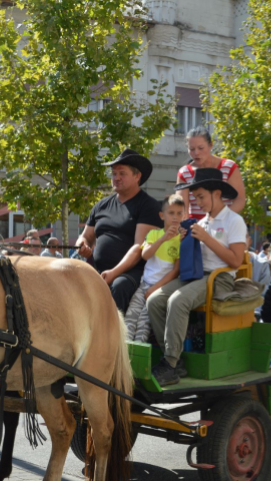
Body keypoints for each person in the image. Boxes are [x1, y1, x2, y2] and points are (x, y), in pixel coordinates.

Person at [147, 168, 246, 386]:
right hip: (197, 275)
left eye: (201, 196)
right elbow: (194, 257)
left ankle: (169, 364)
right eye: (196, 197)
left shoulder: (234, 221)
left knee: (178, 300)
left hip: (219, 279)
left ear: (217, 193)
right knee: (154, 300)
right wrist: (185, 240)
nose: (197, 202)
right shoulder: (201, 223)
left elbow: (236, 261)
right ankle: (174, 360)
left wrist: (206, 239)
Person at [76, 149, 162, 313]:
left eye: (122, 173)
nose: (116, 178)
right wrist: (82, 244)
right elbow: (86, 236)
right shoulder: (101, 205)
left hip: (132, 272)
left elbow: (139, 247)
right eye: (114, 173)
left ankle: (112, 336)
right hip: (98, 270)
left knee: (119, 286)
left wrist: (114, 273)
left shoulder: (148, 206)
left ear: (137, 176)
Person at [125, 194, 184, 342]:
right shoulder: (154, 234)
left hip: (158, 290)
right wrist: (163, 239)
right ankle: (124, 355)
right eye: (171, 213)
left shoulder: (182, 240)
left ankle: (138, 360)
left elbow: (175, 271)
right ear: (161, 215)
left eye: (179, 213)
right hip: (144, 285)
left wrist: (155, 288)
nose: (175, 217)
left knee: (144, 324)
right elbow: (145, 255)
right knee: (129, 320)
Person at [176, 127, 246, 219]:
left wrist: (220, 218)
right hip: (196, 227)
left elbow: (240, 199)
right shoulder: (184, 172)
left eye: (201, 148)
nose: (196, 153)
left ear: (210, 145)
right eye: (192, 149)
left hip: (225, 223)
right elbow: (182, 208)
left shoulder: (228, 167)